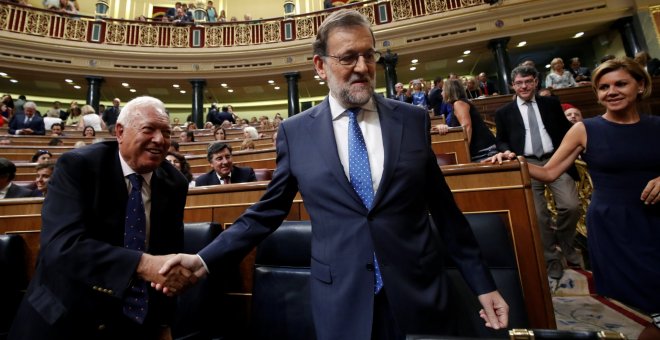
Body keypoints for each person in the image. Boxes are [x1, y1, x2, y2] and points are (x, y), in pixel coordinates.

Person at [156, 9, 508, 339]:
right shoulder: (296, 132)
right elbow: (266, 213)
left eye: (369, 56)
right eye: (347, 57)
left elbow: (445, 212)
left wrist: (483, 284)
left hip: (418, 292)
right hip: (340, 299)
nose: (362, 66)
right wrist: (204, 259)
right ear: (320, 66)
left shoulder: (411, 120)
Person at [8, 96, 194, 339]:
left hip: (132, 321)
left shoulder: (174, 183)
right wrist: (143, 264)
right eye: (149, 129)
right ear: (119, 132)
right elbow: (61, 246)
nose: (160, 140)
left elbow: (168, 258)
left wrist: (163, 322)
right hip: (62, 315)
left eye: (166, 132)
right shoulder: (77, 166)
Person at [503, 57, 660, 340]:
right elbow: (550, 172)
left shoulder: (657, 125)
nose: (611, 91)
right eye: (603, 87)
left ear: (641, 85)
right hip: (614, 227)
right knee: (648, 301)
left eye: (620, 84)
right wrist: (515, 162)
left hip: (655, 222)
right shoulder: (585, 129)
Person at [487, 65, 580, 280]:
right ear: (512, 85)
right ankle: (552, 259)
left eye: (528, 81)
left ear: (536, 82)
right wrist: (506, 150)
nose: (524, 86)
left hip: (555, 159)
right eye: (519, 83)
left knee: (571, 206)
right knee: (538, 216)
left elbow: (566, 129)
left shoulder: (551, 104)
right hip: (526, 163)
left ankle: (565, 244)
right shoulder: (504, 112)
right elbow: (500, 139)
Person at [435, 79, 497, 162]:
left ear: (449, 91)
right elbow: (461, 127)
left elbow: (466, 128)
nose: (441, 93)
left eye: (443, 90)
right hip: (483, 151)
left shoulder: (459, 104)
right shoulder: (460, 103)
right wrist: (447, 127)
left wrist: (462, 153)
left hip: (483, 152)